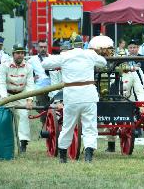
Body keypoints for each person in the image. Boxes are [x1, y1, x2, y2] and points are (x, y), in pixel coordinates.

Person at [42, 34, 107, 163]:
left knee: (68, 126)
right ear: (82, 44)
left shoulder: (65, 55)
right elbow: (104, 62)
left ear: (71, 45)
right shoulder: (90, 54)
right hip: (88, 95)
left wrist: (55, 58)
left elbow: (45, 64)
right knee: (90, 126)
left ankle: (62, 156)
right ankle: (88, 155)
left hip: (72, 96)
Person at [0, 44, 35, 153]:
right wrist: (4, 98)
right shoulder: (5, 65)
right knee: (2, 118)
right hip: (5, 94)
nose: (20, 55)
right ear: (13, 54)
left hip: (21, 94)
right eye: (18, 53)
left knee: (24, 115)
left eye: (22, 53)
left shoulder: (29, 67)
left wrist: (29, 100)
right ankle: (1, 142)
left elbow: (30, 85)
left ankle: (23, 143)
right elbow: (1, 83)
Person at [27, 39, 51, 109]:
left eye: (45, 47)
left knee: (53, 112)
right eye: (41, 47)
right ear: (37, 48)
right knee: (43, 111)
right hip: (40, 89)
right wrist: (32, 78)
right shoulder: (32, 60)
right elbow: (24, 70)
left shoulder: (52, 58)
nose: (43, 49)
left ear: (47, 47)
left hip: (52, 89)